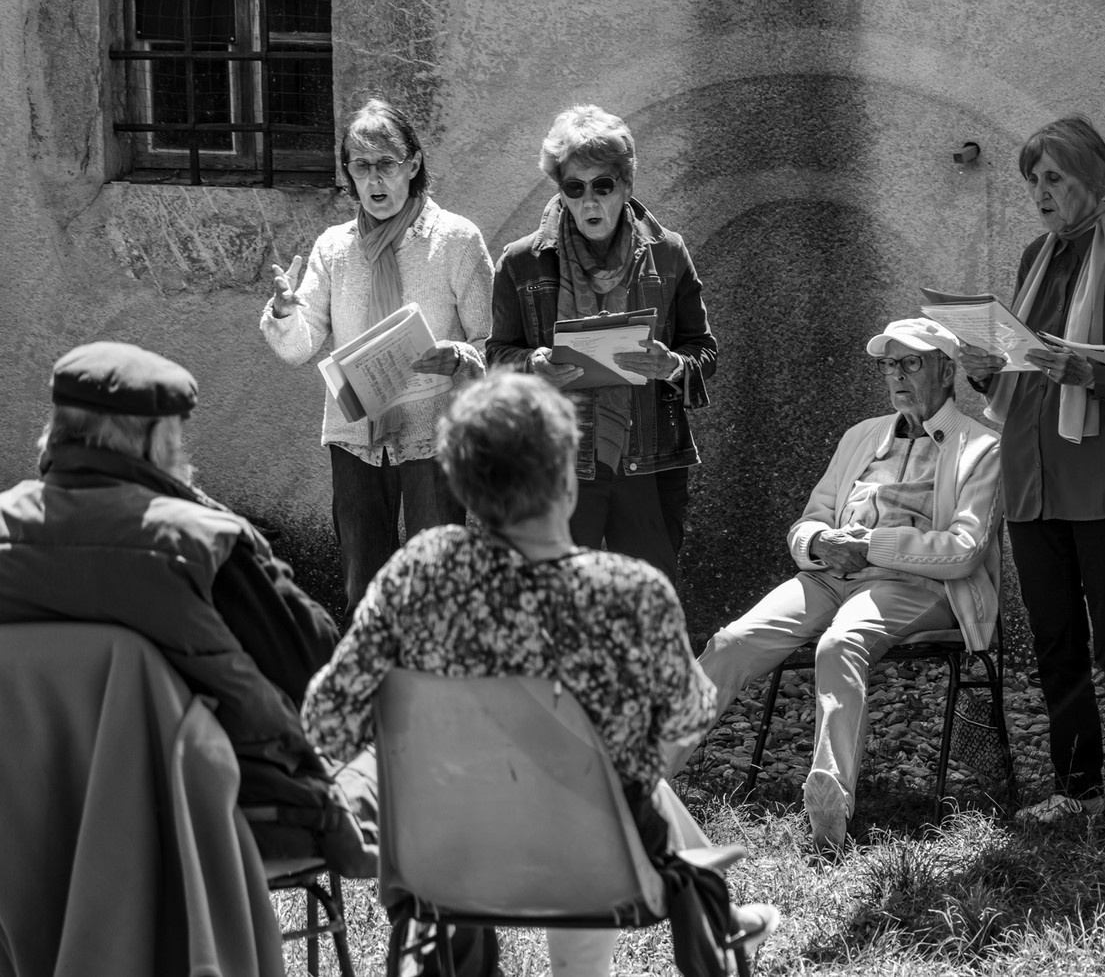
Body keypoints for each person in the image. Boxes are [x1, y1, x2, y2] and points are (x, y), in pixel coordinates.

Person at [302, 371, 778, 975]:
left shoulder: (415, 573)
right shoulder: (632, 593)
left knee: (565, 756)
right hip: (593, 867)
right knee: (597, 771)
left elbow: (327, 717)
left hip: (443, 861)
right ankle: (708, 920)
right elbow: (684, 725)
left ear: (461, 484)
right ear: (567, 477)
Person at [0, 341, 373, 874]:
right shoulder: (201, 541)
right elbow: (316, 672)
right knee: (396, 763)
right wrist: (203, 506)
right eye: (179, 433)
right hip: (218, 817)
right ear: (154, 441)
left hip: (34, 824)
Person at [683, 318, 1002, 851]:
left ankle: (830, 798)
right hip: (831, 574)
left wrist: (871, 547)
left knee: (841, 642)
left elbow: (964, 550)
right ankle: (638, 773)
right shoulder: (862, 435)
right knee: (732, 641)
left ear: (947, 371)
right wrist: (816, 545)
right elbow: (808, 520)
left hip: (916, 585)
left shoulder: (980, 446)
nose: (896, 376)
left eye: (911, 363)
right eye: (888, 365)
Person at [957, 115, 1105, 836]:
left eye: (1054, 177)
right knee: (1056, 642)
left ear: (1093, 177)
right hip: (1033, 481)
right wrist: (985, 368)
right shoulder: (1036, 256)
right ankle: (1078, 784)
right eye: (1033, 179)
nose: (1040, 192)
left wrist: (1096, 375)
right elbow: (1024, 365)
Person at [261, 97, 494, 625]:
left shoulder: (456, 240)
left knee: (437, 591)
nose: (375, 181)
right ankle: (374, 700)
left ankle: (436, 701)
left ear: (412, 165)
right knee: (364, 588)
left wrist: (460, 356)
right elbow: (301, 345)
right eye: (361, 167)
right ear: (348, 175)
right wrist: (282, 311)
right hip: (356, 436)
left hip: (434, 435)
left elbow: (494, 343)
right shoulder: (334, 247)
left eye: (386, 164)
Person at [487, 104, 716, 586]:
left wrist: (670, 364)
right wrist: (534, 364)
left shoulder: (668, 253)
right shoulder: (521, 263)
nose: (589, 201)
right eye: (575, 187)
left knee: (649, 605)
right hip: (559, 462)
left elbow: (704, 351)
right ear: (563, 192)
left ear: (626, 186)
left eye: (603, 186)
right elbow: (496, 358)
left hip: (647, 458)